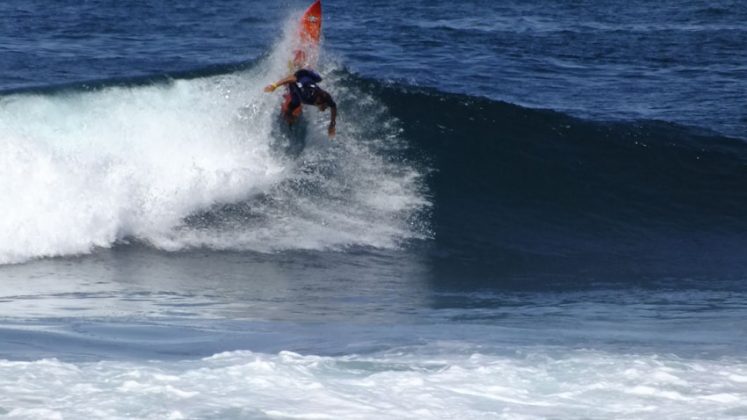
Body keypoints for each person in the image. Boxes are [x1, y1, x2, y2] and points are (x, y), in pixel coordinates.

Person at [264, 68, 337, 137]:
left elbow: (333, 106)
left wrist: (332, 124)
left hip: (307, 82)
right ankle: (296, 70)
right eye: (324, 106)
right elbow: (292, 78)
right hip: (301, 75)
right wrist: (274, 85)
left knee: (319, 79)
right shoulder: (306, 94)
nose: (324, 109)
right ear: (318, 100)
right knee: (294, 104)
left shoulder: (326, 97)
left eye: (325, 107)